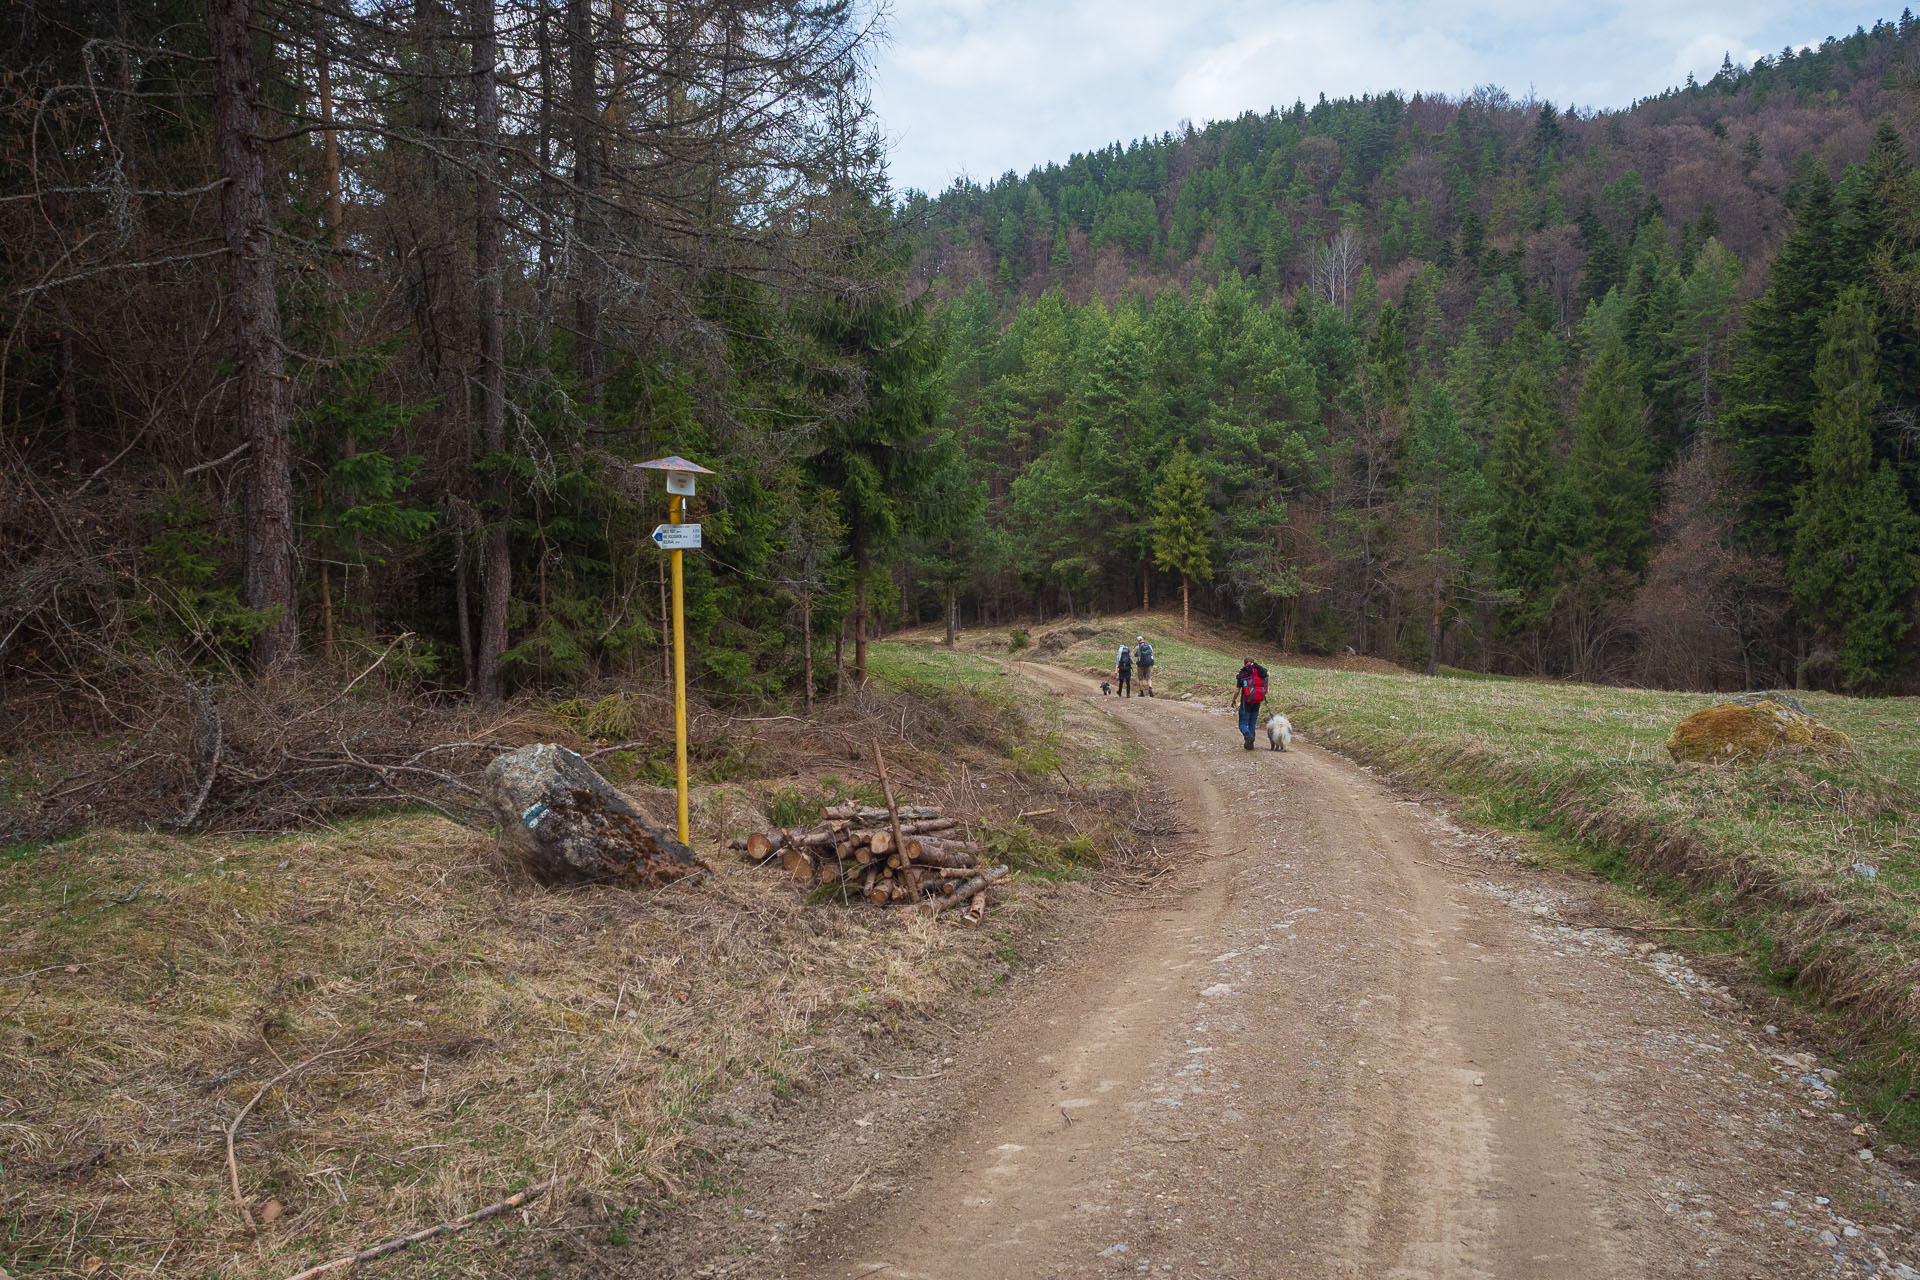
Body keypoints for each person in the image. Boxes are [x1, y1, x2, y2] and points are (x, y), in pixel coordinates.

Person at [1231, 655, 1268, 750]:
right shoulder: (1260, 672)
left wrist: (1233, 700)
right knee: (1252, 723)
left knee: (1243, 724)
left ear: (1244, 663)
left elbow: (1237, 690)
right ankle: (1250, 745)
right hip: (1257, 701)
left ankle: (1248, 737)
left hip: (1246, 701)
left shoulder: (1244, 673)